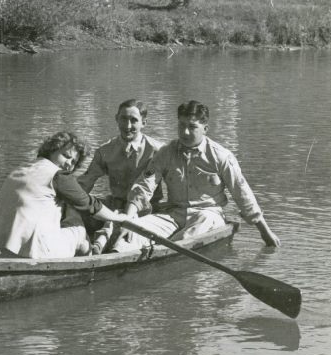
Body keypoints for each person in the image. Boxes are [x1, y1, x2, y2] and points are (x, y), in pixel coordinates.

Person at [114, 100, 281, 251]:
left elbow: (242, 193)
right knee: (131, 234)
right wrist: (129, 220)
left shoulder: (221, 156)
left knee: (193, 230)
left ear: (205, 129)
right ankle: (121, 256)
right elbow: (144, 186)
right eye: (181, 125)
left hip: (208, 215)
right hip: (174, 215)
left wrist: (265, 232)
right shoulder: (166, 152)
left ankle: (165, 251)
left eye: (192, 127)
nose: (185, 132)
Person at [0, 131, 130, 259]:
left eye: (73, 162)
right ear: (51, 150)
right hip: (29, 255)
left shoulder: (21, 169)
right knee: (78, 230)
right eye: (66, 155)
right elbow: (90, 205)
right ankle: (91, 262)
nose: (69, 164)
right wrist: (119, 218)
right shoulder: (58, 175)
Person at [77, 99, 164, 254]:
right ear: (116, 119)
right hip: (114, 204)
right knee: (78, 210)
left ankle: (99, 245)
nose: (127, 126)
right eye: (123, 119)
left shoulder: (158, 151)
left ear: (144, 123)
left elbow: (174, 182)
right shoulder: (105, 150)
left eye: (134, 120)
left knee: (116, 219)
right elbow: (86, 182)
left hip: (146, 209)